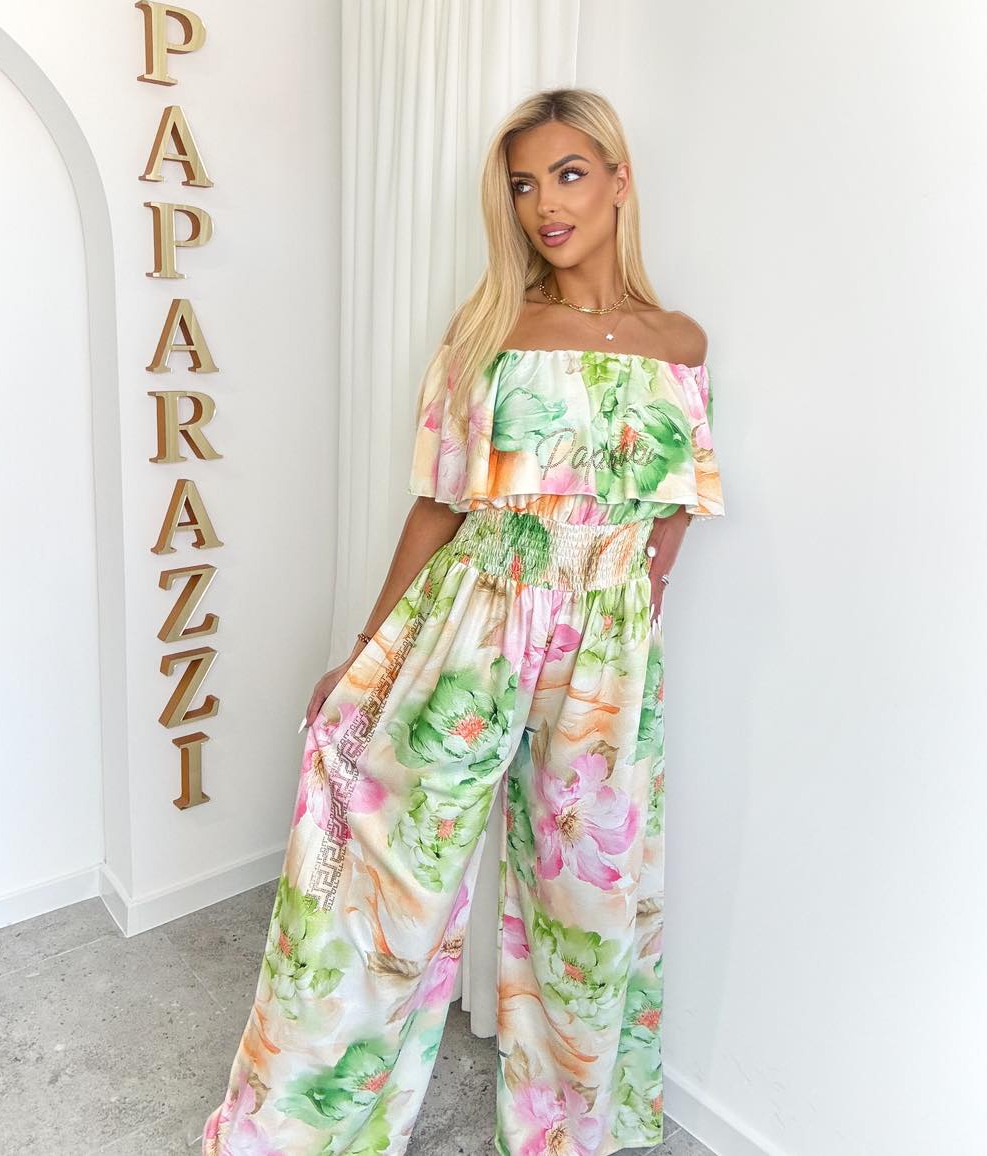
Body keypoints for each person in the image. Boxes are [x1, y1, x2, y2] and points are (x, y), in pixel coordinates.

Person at [203, 86, 725, 1156]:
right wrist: (364, 652)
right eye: (524, 185)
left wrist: (635, 593)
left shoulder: (681, 342)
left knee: (590, 904)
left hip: (609, 653)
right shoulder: (491, 329)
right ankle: (296, 1131)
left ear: (620, 181)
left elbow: (679, 501)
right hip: (480, 616)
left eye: (568, 175)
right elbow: (438, 505)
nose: (545, 204)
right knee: (393, 883)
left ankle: (565, 1134)